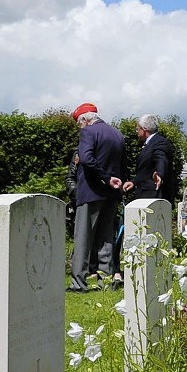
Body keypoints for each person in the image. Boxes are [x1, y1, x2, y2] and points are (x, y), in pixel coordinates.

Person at [68, 103, 124, 292]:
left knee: (83, 238)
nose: (80, 127)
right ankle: (107, 281)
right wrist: (113, 181)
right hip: (112, 194)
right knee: (105, 238)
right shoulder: (117, 134)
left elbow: (86, 158)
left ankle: (79, 283)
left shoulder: (88, 133)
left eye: (79, 123)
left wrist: (105, 178)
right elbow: (123, 164)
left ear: (85, 119)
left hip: (91, 192)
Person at [121, 114, 178, 203]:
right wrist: (133, 182)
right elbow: (146, 171)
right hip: (146, 195)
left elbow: (161, 159)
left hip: (154, 196)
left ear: (144, 129)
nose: (136, 132)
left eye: (137, 129)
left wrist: (159, 174)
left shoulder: (159, 143)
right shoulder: (150, 143)